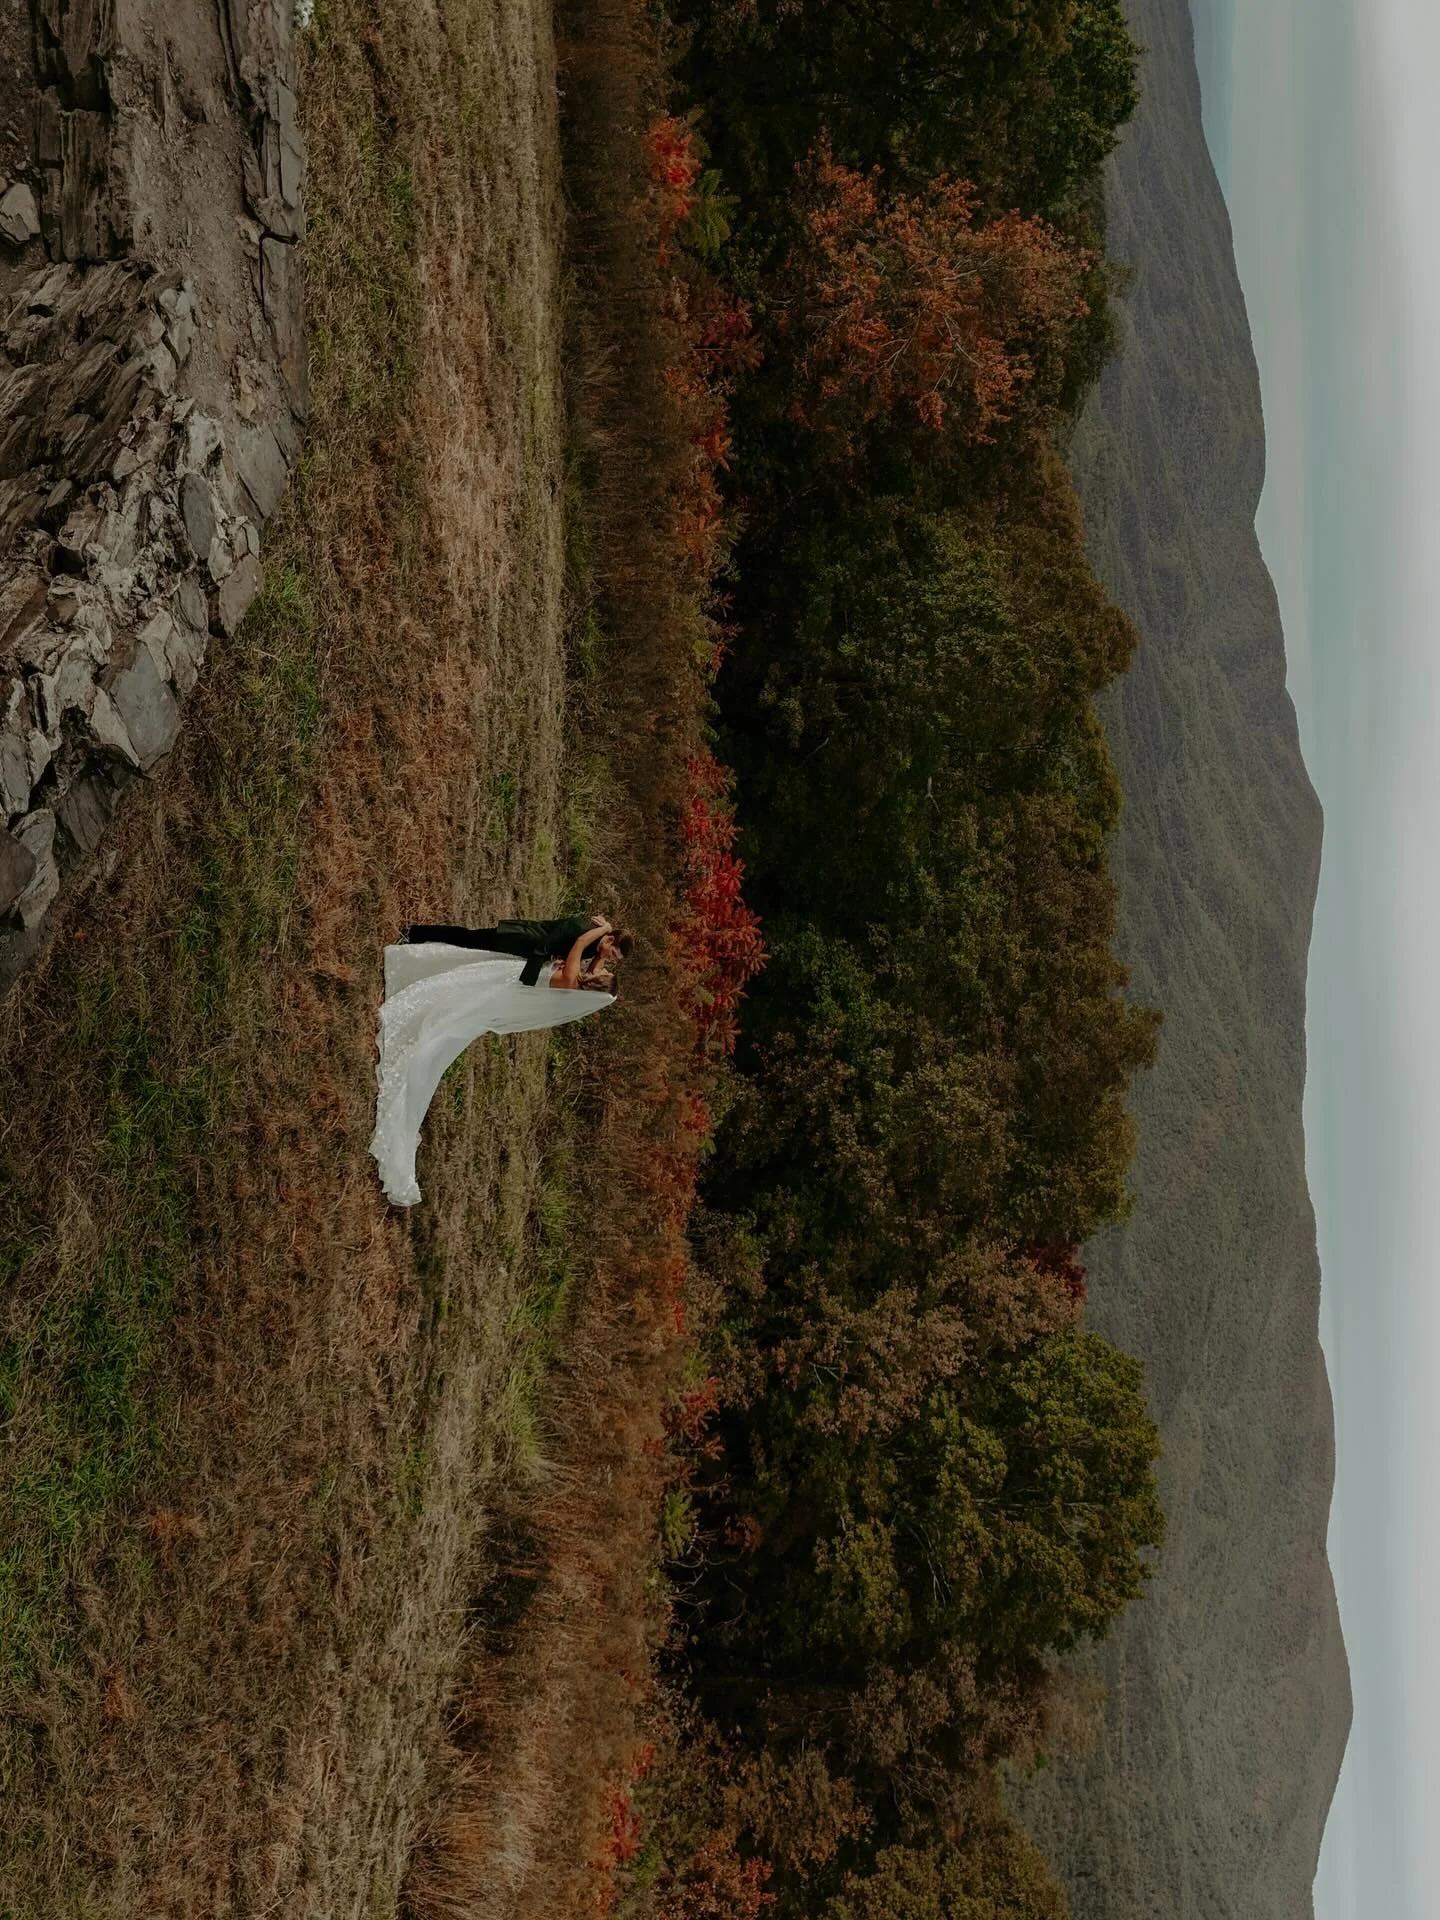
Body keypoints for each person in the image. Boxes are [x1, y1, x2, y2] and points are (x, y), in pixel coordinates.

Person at [369, 935, 616, 1207]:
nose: (603, 967)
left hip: (507, 983)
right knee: (458, 991)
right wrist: (602, 956)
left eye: (605, 972)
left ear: (596, 982)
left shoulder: (570, 979)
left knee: (456, 996)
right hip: (510, 984)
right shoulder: (576, 987)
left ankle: (413, 998)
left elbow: (580, 943)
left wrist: (602, 930)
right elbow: (593, 969)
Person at [403, 914, 633, 986]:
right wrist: (529, 979)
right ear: (609, 939)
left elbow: (590, 971)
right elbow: (544, 945)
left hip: (526, 956)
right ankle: (415, 933)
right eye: (611, 953)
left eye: (613, 958)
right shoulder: (579, 928)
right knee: (468, 938)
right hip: (520, 941)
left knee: (470, 953)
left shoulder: (594, 948)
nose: (608, 958)